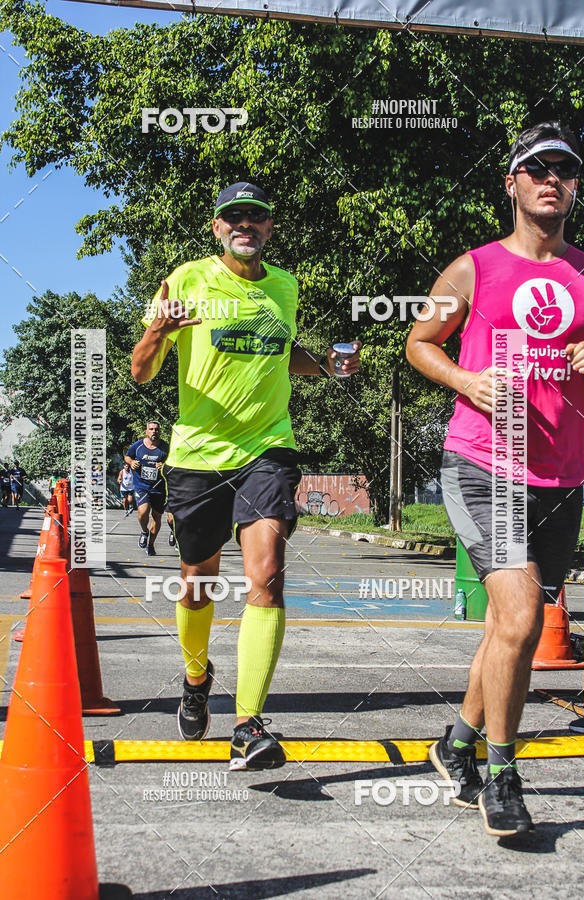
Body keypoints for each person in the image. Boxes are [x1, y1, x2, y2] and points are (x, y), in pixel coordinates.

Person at [406, 121, 584, 836]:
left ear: (575, 186)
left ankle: (455, 744)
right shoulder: (474, 268)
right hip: (484, 462)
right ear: (512, 182)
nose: (553, 178)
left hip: (562, 474)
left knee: (504, 629)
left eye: (567, 169)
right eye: (538, 167)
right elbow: (417, 342)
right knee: (520, 619)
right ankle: (503, 774)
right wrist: (465, 379)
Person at [132, 181, 361, 770]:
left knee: (268, 576)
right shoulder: (185, 279)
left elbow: (287, 352)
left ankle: (248, 724)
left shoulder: (285, 287)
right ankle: (194, 676)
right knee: (196, 580)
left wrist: (330, 367)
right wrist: (159, 330)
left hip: (268, 448)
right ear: (217, 229)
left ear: (269, 227)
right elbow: (141, 371)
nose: (245, 225)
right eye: (233, 217)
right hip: (198, 453)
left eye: (256, 216)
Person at [124, 422, 169, 555]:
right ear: (146, 431)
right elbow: (127, 456)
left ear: (160, 432)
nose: (153, 431)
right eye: (151, 429)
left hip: (159, 487)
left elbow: (174, 462)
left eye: (156, 429)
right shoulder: (138, 446)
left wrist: (165, 465)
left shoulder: (165, 447)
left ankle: (151, 544)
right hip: (142, 486)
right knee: (143, 512)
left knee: (156, 517)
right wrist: (131, 462)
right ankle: (144, 531)